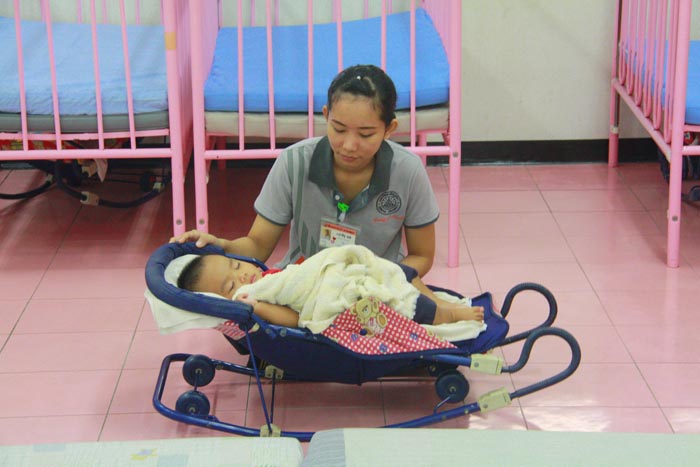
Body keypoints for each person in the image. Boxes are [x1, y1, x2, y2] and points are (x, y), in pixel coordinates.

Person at [170, 64, 439, 277]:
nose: (349, 145)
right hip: (303, 285)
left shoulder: (408, 171)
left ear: (389, 129)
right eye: (339, 129)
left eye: (366, 134)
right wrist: (220, 245)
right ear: (326, 115)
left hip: (378, 288)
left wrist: (381, 280)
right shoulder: (294, 162)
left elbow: (422, 255)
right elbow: (258, 246)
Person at [177, 246, 484, 331]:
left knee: (399, 272)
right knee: (392, 303)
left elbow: (303, 274)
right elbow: (297, 318)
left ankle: (441, 304)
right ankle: (446, 316)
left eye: (236, 266)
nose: (243, 276)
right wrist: (258, 308)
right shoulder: (257, 298)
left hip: (338, 274)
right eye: (231, 285)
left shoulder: (270, 276)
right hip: (339, 297)